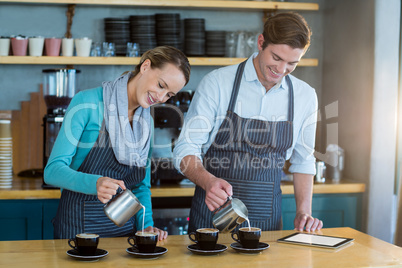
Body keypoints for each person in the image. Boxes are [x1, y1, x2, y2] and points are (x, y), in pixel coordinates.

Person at [173, 12, 323, 233]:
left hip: (267, 226)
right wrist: (207, 182)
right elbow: (185, 149)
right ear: (261, 42)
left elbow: (303, 161)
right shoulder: (217, 83)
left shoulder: (305, 96)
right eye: (277, 58)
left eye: (292, 63)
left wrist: (304, 211)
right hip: (211, 220)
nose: (281, 71)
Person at [45, 46, 191, 239]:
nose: (160, 98)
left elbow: (140, 185)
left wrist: (146, 226)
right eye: (161, 85)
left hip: (126, 233)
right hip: (79, 229)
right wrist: (94, 183)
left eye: (169, 95)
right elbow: (52, 171)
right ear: (145, 66)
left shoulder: (146, 123)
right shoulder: (88, 103)